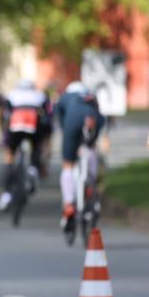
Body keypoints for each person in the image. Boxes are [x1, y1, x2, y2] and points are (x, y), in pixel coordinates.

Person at [55, 81, 106, 231]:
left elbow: (61, 121)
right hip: (93, 118)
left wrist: (69, 139)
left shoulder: (64, 98)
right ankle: (91, 184)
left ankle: (69, 204)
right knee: (90, 148)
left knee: (68, 165)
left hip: (72, 120)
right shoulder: (90, 96)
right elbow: (100, 117)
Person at [0, 78, 48, 211]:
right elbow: (48, 113)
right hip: (34, 124)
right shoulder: (40, 95)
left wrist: (3, 132)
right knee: (37, 146)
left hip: (16, 125)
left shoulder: (12, 94)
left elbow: (5, 113)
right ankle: (33, 169)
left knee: (9, 155)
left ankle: (6, 194)